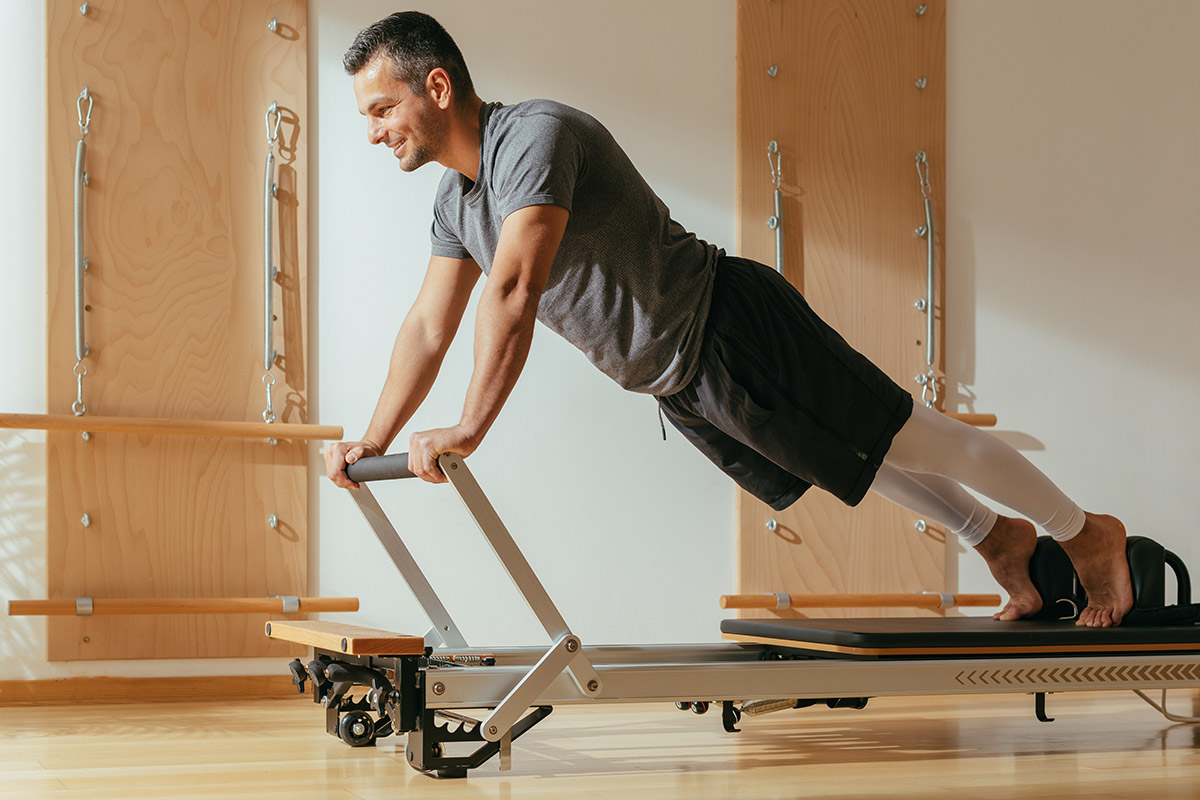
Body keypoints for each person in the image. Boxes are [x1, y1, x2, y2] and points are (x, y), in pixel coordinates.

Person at [324, 11, 1134, 628]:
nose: (372, 131)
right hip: (682, 380)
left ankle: (1084, 530)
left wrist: (468, 426)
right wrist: (376, 437)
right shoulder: (456, 200)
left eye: (380, 108)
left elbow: (515, 288)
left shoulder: (532, 137)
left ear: (436, 86)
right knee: (847, 462)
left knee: (904, 431)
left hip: (729, 325)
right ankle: (997, 537)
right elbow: (428, 325)